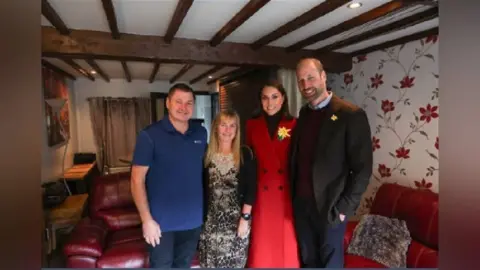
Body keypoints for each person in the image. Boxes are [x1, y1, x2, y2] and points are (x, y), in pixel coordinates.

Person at [289, 58, 373, 268]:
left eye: (311, 78)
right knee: (308, 260)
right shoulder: (304, 114)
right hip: (302, 206)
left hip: (331, 208)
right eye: (301, 81)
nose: (306, 85)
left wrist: (344, 209)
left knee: (329, 263)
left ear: (323, 76)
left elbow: (363, 169)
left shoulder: (350, 115)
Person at [130, 83, 207, 268]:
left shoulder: (201, 133)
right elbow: (136, 180)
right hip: (160, 224)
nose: (184, 107)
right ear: (167, 103)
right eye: (178, 102)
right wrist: (146, 220)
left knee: (183, 266)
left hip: (193, 221)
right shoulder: (149, 135)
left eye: (189, 103)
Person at [245, 81, 300, 268]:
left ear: (283, 98)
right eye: (265, 98)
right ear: (260, 101)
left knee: (286, 246)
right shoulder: (252, 125)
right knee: (262, 247)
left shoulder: (293, 124)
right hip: (261, 195)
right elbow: (247, 162)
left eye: (275, 97)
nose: (270, 103)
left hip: (285, 196)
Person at [198, 109, 257, 268]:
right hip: (210, 224)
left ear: (237, 130)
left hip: (236, 223)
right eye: (223, 125)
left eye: (232, 126)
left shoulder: (245, 154)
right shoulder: (206, 154)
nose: (227, 130)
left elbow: (251, 190)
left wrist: (244, 219)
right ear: (216, 127)